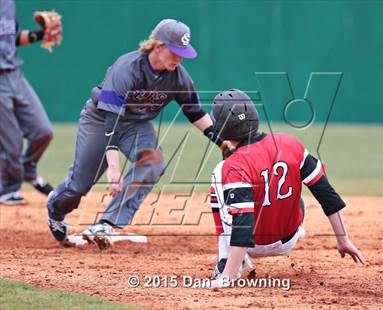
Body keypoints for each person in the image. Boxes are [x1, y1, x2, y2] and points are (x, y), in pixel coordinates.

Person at [46, 19, 225, 249]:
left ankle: (106, 224)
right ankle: (55, 208)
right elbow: (112, 119)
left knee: (154, 161)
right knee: (79, 185)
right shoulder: (126, 69)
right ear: (157, 46)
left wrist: (222, 143)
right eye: (175, 52)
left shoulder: (178, 77)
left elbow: (195, 112)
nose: (179, 58)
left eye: (183, 53)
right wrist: (113, 167)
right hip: (101, 119)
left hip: (136, 125)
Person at [208, 89, 366, 288]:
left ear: (221, 128)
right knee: (299, 192)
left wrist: (228, 277)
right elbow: (326, 193)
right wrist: (343, 240)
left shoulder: (233, 165)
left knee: (220, 175)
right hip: (289, 240)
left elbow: (243, 222)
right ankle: (235, 261)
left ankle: (226, 264)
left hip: (251, 245)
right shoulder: (290, 143)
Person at [0, 0, 55, 205]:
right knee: (11, 142)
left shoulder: (7, 3)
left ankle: (28, 171)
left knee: (43, 131)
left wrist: (41, 34)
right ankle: (8, 188)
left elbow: (12, 37)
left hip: (14, 73)